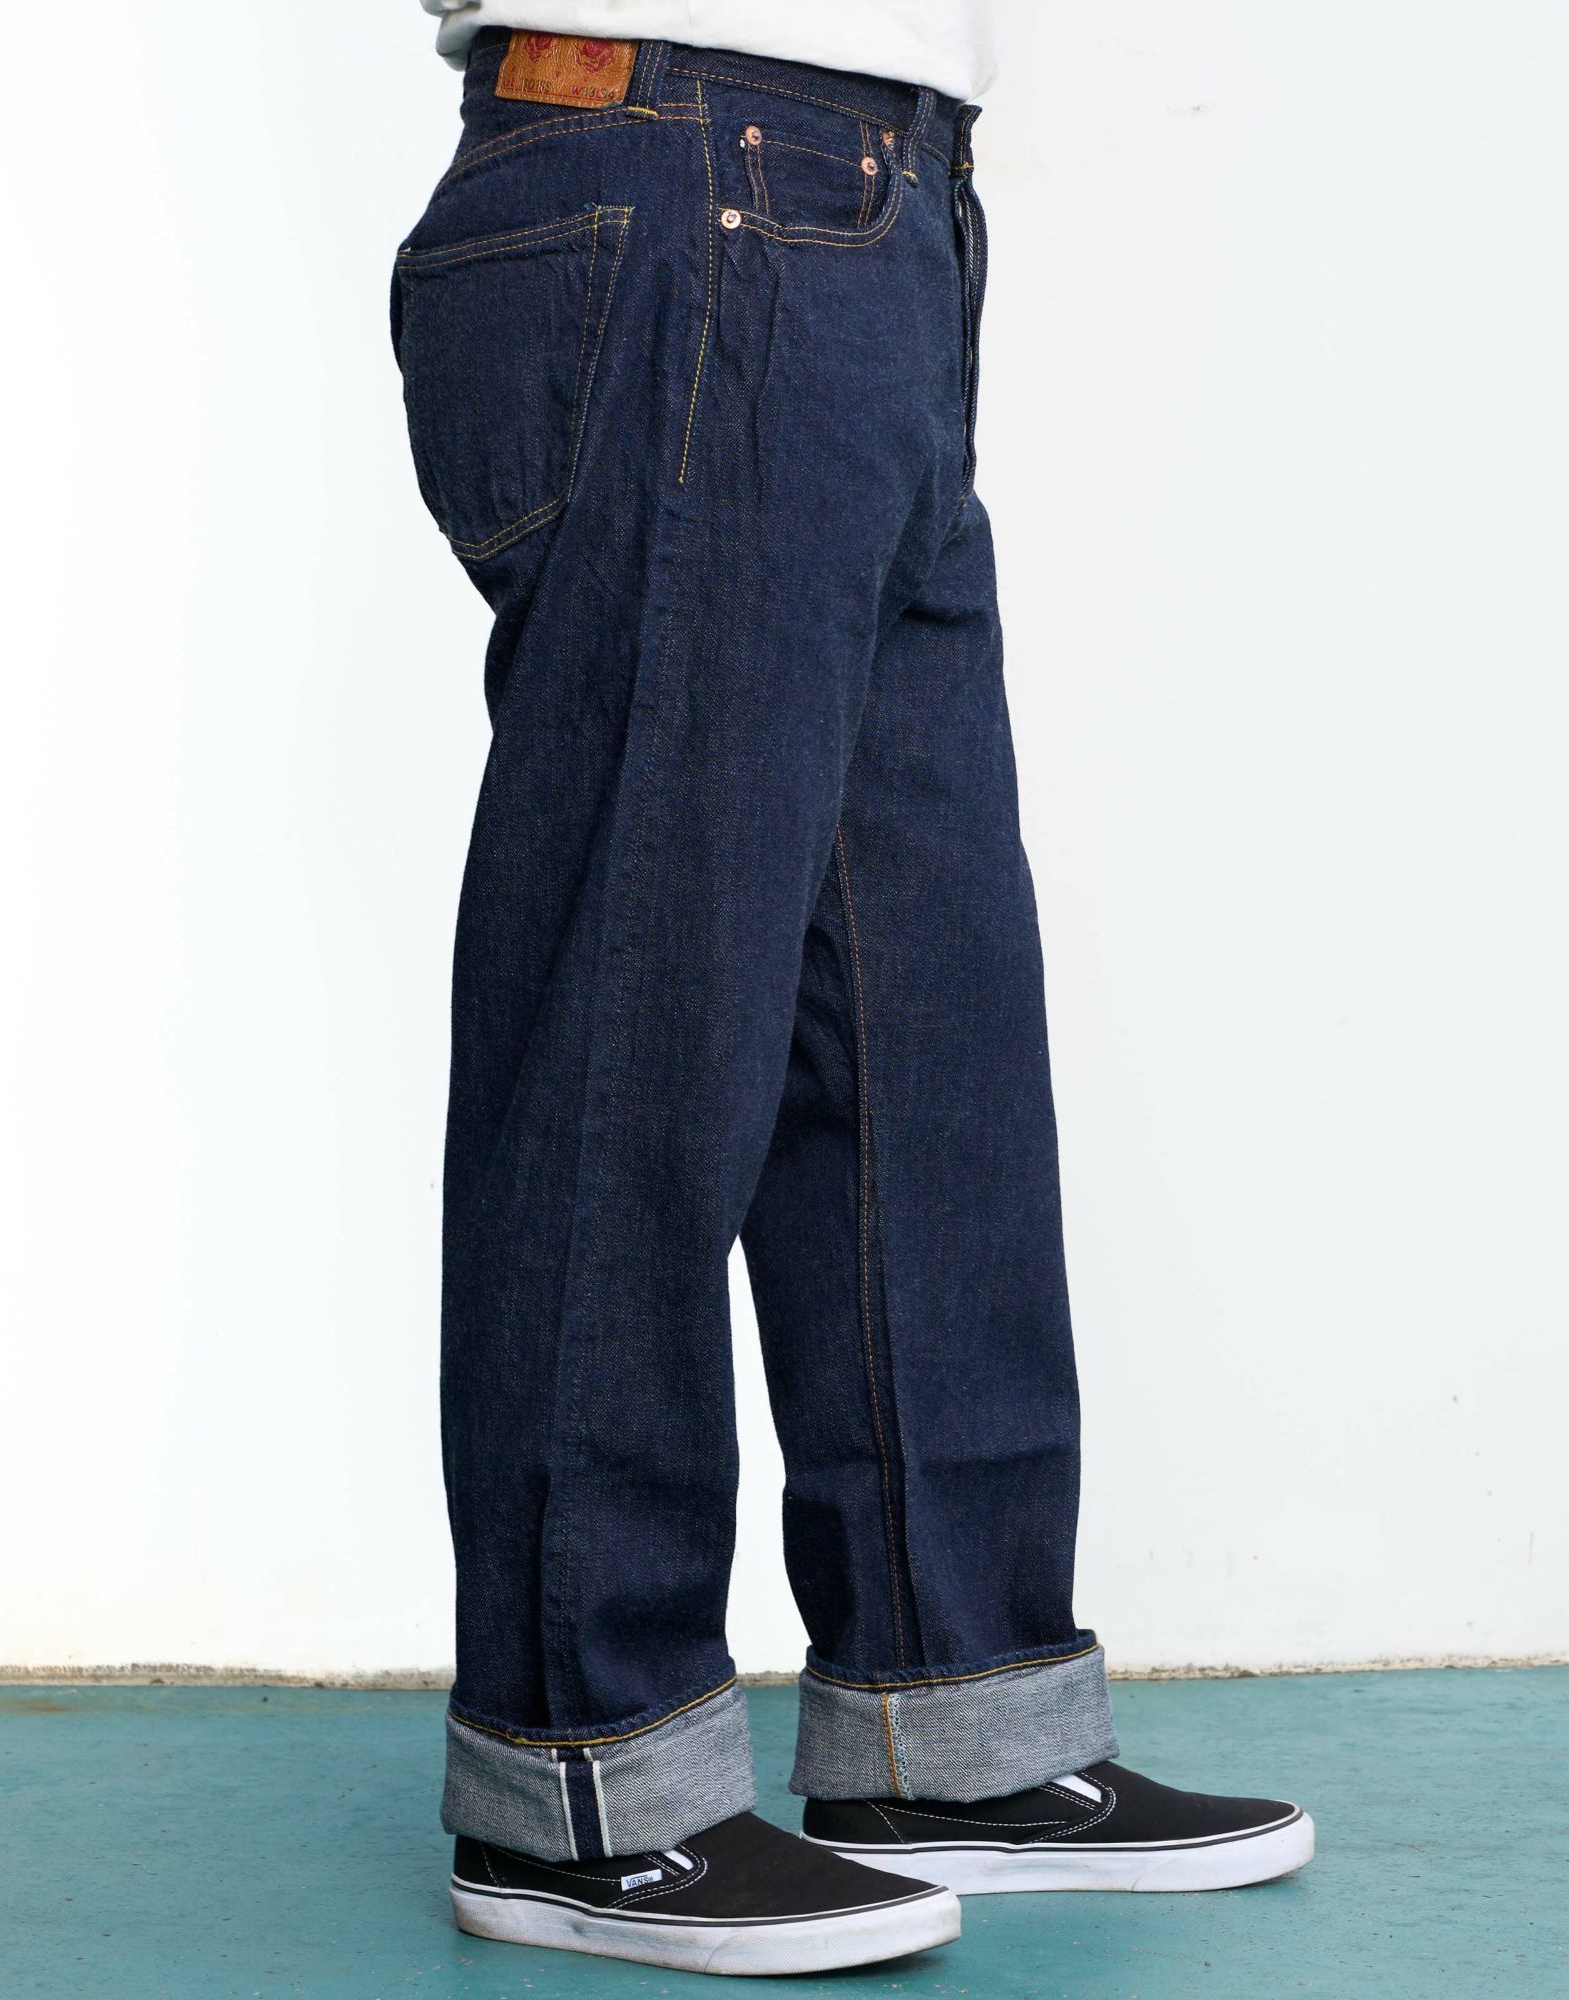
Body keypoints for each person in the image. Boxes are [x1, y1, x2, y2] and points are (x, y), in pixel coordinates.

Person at [391, 3, 1314, 1974]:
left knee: (921, 1024)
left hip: (882, 206)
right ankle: (578, 1783)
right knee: (642, 1012)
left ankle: (952, 1730)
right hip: (679, 159)